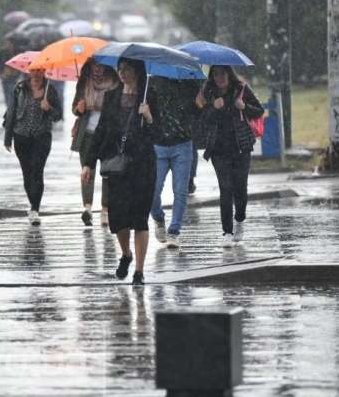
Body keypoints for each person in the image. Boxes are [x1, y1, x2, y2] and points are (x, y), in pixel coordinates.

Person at [82, 59, 156, 286]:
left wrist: (149, 117)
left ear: (137, 71)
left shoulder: (149, 96)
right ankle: (126, 254)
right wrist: (88, 163)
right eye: (120, 69)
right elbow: (101, 130)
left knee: (140, 218)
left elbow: (160, 134)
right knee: (118, 220)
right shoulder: (112, 97)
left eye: (127, 69)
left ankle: (139, 272)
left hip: (143, 165)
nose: (122, 74)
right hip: (116, 164)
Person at [197, 65, 264, 247]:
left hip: (241, 146)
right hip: (218, 149)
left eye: (222, 74)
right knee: (225, 188)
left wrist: (244, 106)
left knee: (240, 187)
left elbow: (259, 110)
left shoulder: (241, 88)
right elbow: (202, 119)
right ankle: (227, 231)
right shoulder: (208, 91)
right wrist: (213, 107)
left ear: (229, 74)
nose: (219, 78)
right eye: (215, 74)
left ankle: (240, 219)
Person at [148, 77, 202, 248]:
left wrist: (200, 105)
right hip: (158, 145)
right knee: (152, 190)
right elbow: (145, 113)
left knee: (180, 190)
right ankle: (158, 218)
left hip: (183, 145)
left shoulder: (192, 84)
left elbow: (198, 114)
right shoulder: (153, 83)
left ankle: (174, 230)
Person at [3, 68, 62, 225]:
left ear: (44, 72)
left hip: (41, 137)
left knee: (37, 170)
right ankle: (32, 203)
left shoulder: (50, 90)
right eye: (33, 70)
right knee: (27, 173)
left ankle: (35, 208)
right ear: (28, 72)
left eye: (39, 71)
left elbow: (58, 116)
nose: (36, 74)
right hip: (21, 136)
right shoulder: (20, 88)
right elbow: (11, 112)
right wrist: (7, 138)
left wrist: (48, 108)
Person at [71, 59, 119, 227]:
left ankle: (105, 210)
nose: (97, 69)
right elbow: (74, 109)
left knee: (107, 173)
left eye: (100, 65)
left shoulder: (114, 82)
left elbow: (120, 107)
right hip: (87, 134)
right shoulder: (84, 82)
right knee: (87, 172)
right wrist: (79, 108)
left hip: (108, 135)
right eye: (94, 65)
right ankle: (88, 208)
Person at [0, 38, 20, 109]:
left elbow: (19, 64)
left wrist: (17, 73)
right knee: (6, 93)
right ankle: (9, 107)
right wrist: (1, 72)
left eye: (9, 43)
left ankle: (12, 108)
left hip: (13, 77)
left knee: (12, 93)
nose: (7, 45)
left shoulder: (15, 52)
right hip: (5, 76)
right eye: (6, 43)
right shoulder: (2, 52)